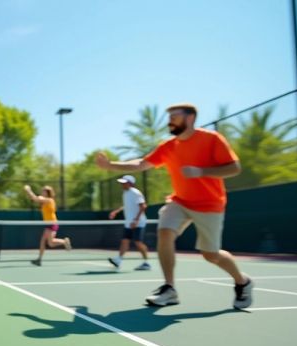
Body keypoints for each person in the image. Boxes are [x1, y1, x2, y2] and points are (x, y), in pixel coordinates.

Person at [94, 103, 254, 309]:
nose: (170, 121)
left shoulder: (212, 139)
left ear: (190, 118)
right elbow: (142, 164)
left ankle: (242, 281)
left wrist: (201, 172)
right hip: (180, 201)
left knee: (211, 254)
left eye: (175, 116)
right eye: (169, 117)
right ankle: (169, 288)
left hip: (210, 205)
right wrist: (111, 165)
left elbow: (234, 168)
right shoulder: (169, 146)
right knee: (165, 232)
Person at [106, 175, 151, 271]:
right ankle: (118, 260)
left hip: (138, 222)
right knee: (124, 241)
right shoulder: (125, 193)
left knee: (138, 242)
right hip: (129, 223)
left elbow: (143, 206)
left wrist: (136, 220)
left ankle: (146, 262)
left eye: (124, 183)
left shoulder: (135, 193)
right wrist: (116, 211)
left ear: (130, 183)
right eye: (121, 183)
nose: (122, 184)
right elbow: (127, 205)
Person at [22, 184, 71, 266]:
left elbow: (35, 198)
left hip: (52, 223)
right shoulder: (45, 200)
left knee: (46, 241)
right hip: (48, 223)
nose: (42, 192)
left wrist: (28, 190)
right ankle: (63, 242)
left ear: (47, 192)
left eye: (43, 191)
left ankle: (39, 259)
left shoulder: (49, 200)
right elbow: (35, 198)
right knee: (49, 243)